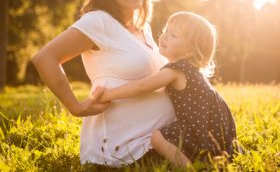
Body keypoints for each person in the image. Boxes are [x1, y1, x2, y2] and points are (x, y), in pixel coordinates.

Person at [32, 0, 175, 167]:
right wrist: (76, 107)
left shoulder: (141, 25)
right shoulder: (98, 21)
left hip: (159, 139)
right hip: (123, 148)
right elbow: (45, 58)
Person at [98, 12, 237, 166]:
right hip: (215, 126)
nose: (164, 36)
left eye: (174, 35)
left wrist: (108, 94)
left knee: (157, 137)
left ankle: (188, 168)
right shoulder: (191, 70)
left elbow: (142, 86)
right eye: (166, 31)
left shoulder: (176, 70)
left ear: (190, 51)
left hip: (200, 127)